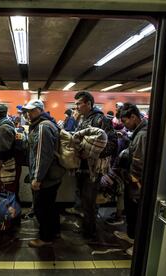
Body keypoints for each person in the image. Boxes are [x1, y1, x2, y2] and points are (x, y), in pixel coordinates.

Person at [73, 91, 117, 240]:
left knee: (89, 201)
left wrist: (92, 153)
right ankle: (87, 227)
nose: (76, 107)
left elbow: (112, 144)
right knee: (83, 200)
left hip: (94, 169)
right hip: (83, 167)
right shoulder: (83, 119)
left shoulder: (100, 120)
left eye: (79, 103)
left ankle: (91, 233)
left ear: (89, 104)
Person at [22, 100, 63, 248]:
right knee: (50, 206)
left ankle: (45, 238)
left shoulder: (43, 127)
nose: (28, 114)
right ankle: (55, 231)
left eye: (31, 111)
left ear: (39, 110)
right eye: (27, 111)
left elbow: (42, 155)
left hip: (45, 177)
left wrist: (37, 179)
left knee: (41, 208)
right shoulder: (47, 124)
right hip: (52, 175)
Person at [113, 103, 147, 256]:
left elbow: (139, 164)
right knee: (131, 212)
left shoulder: (142, 134)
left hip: (136, 183)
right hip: (131, 181)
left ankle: (138, 246)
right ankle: (131, 236)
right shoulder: (137, 132)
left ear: (133, 117)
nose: (125, 125)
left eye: (125, 121)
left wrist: (133, 182)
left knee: (138, 214)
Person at [0, 104, 17, 196]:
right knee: (10, 191)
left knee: (6, 193)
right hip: (11, 163)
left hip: (6, 166)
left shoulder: (2, 129)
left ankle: (9, 210)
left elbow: (0, 153)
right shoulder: (8, 124)